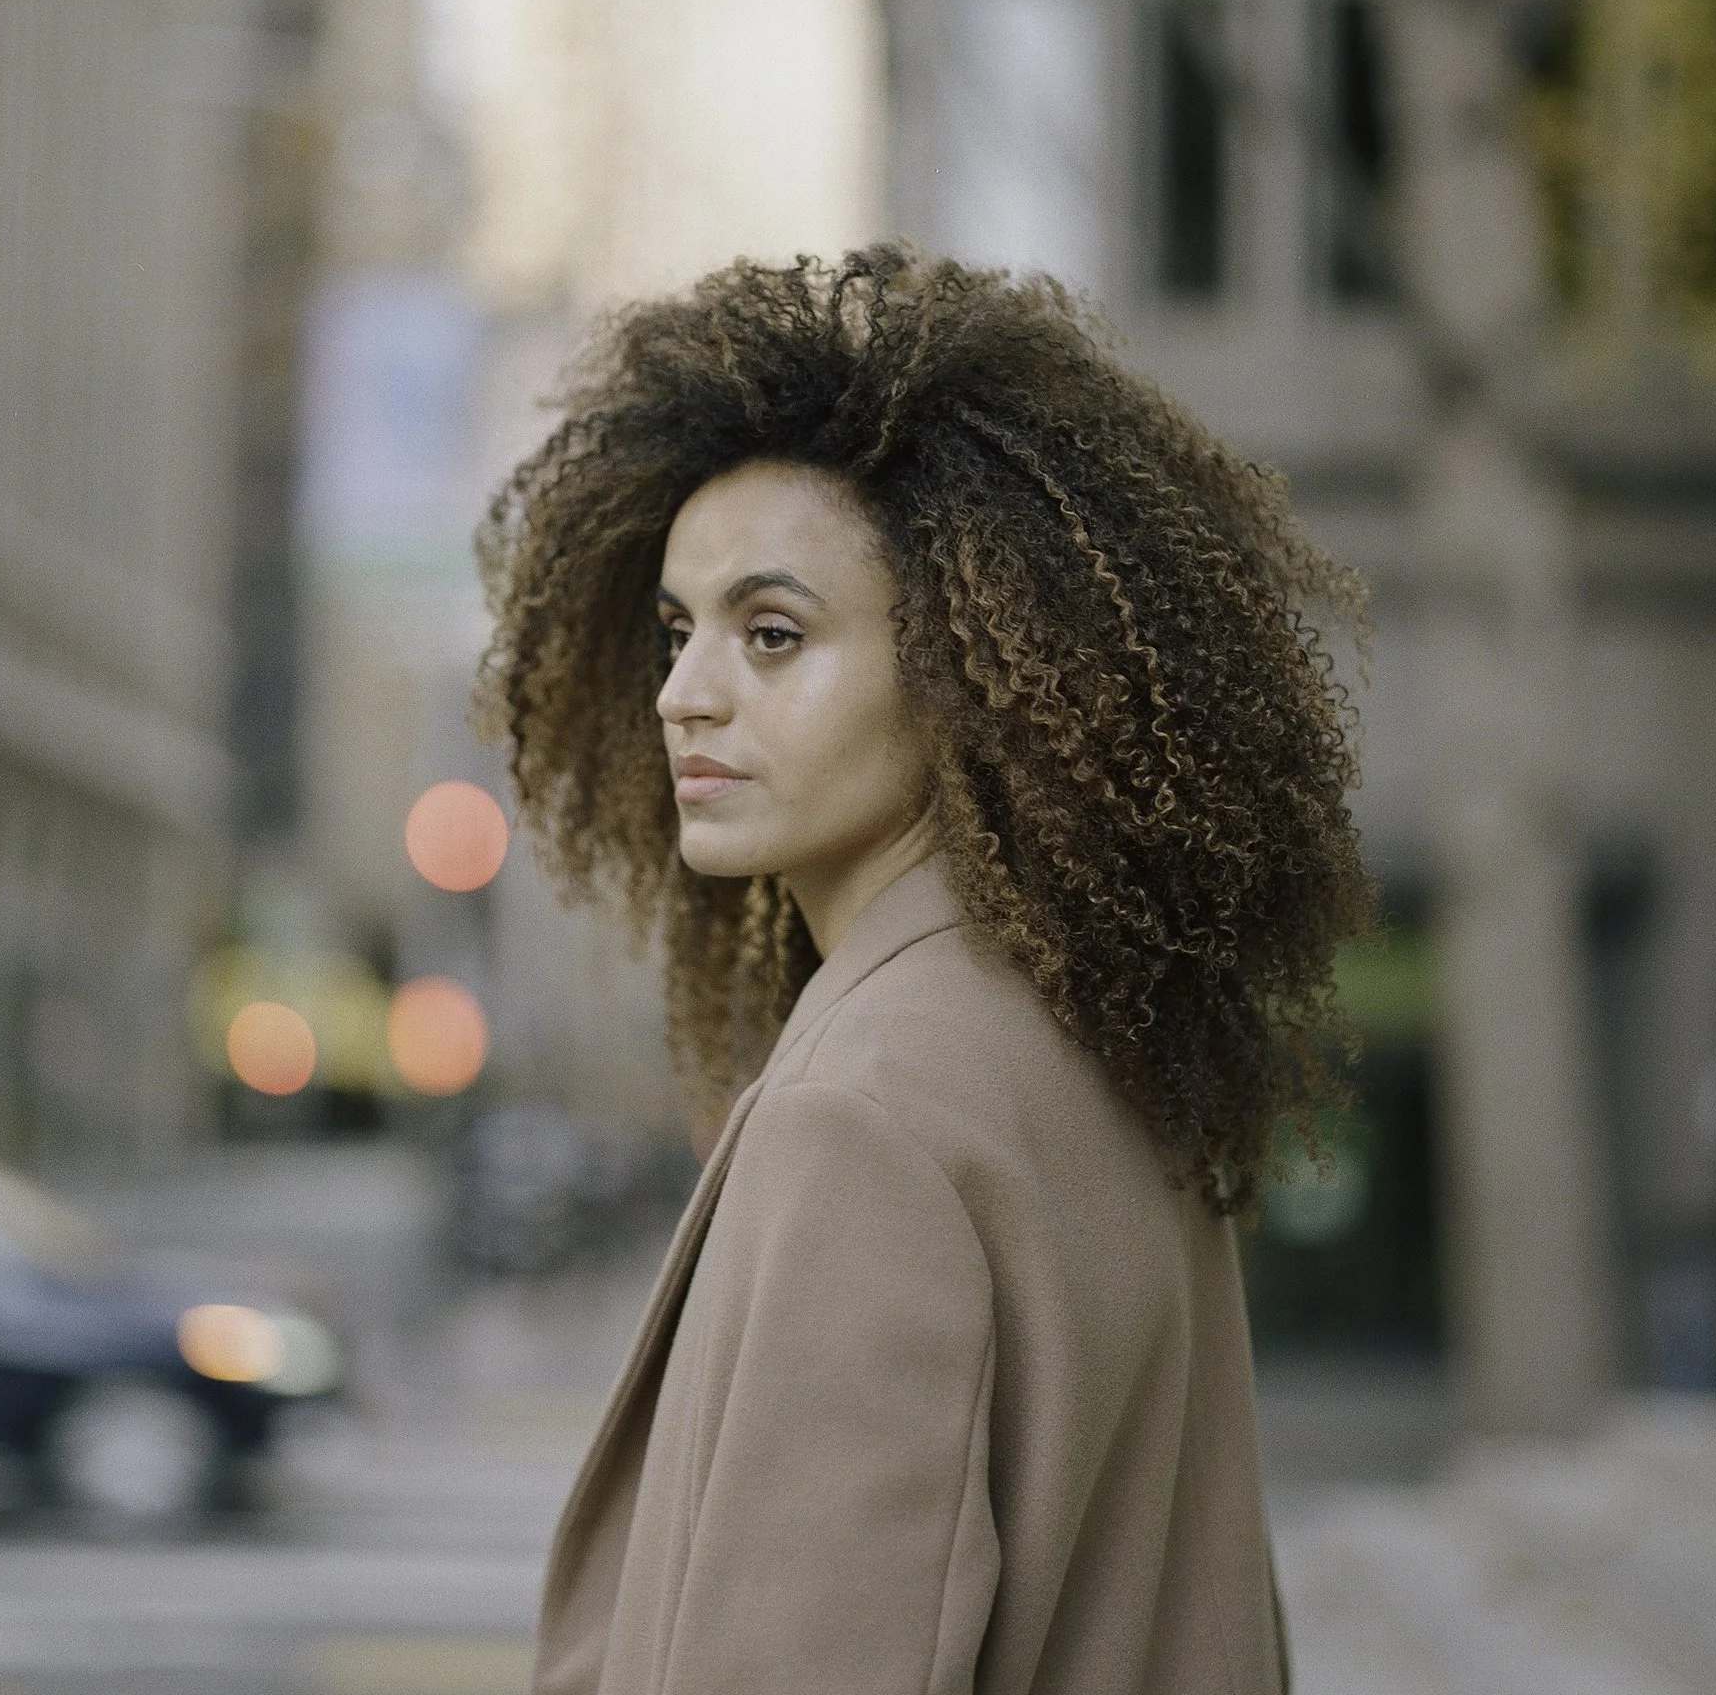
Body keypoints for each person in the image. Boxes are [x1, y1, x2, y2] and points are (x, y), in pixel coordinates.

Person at [475, 245, 1373, 1694]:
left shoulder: (870, 1114)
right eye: (676, 629)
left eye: (774, 635)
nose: (683, 692)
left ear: (970, 664)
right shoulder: (1084, 1039)